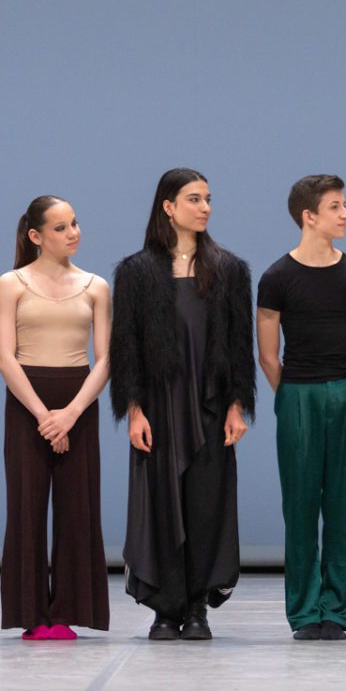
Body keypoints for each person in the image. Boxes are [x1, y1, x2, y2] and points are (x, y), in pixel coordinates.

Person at [110, 167, 254, 641]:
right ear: (168, 207)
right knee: (160, 503)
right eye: (194, 199)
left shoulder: (230, 270)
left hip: (210, 405)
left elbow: (239, 345)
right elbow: (126, 348)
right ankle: (165, 608)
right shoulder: (136, 272)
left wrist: (237, 405)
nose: (205, 207)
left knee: (207, 503)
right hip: (159, 407)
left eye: (208, 198)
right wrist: (134, 411)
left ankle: (196, 607)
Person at [257, 175, 346, 641]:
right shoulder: (277, 278)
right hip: (297, 395)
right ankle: (305, 612)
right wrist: (294, 394)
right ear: (309, 216)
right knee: (301, 506)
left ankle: (337, 611)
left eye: (344, 205)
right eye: (336, 207)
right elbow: (269, 356)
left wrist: (337, 385)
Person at [0, 196, 113, 639]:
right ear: (36, 236)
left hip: (77, 401)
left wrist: (71, 414)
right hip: (27, 401)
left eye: (75, 224)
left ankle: (67, 611)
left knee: (77, 508)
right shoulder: (12, 283)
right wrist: (45, 416)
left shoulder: (96, 286)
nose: (73, 233)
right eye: (61, 227)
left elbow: (104, 359)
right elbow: (5, 358)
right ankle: (31, 614)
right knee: (26, 507)